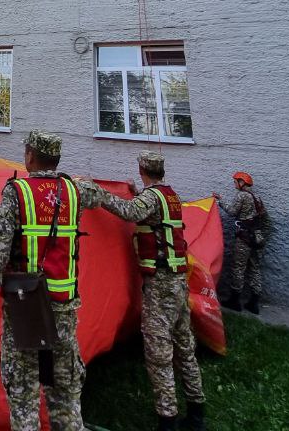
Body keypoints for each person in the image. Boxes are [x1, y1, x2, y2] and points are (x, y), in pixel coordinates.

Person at [0, 130, 106, 431]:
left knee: (23, 393)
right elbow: (101, 196)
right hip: (64, 309)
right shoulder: (75, 190)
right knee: (65, 396)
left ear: (30, 156)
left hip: (27, 308)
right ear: (56, 159)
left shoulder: (17, 192)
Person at [98, 152, 205, 431]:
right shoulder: (170, 195)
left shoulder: (151, 198)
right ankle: (197, 414)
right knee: (185, 348)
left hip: (161, 285)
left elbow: (129, 212)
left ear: (142, 169)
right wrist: (137, 193)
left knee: (159, 355)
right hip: (178, 282)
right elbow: (153, 215)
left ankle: (167, 421)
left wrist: (97, 194)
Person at [215, 170, 266, 314]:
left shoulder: (242, 195)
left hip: (244, 238)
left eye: (235, 182)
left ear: (242, 182)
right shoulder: (257, 197)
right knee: (254, 268)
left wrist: (220, 201)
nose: (234, 184)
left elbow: (232, 211)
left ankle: (234, 301)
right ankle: (254, 303)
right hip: (257, 238)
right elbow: (263, 216)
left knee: (238, 268)